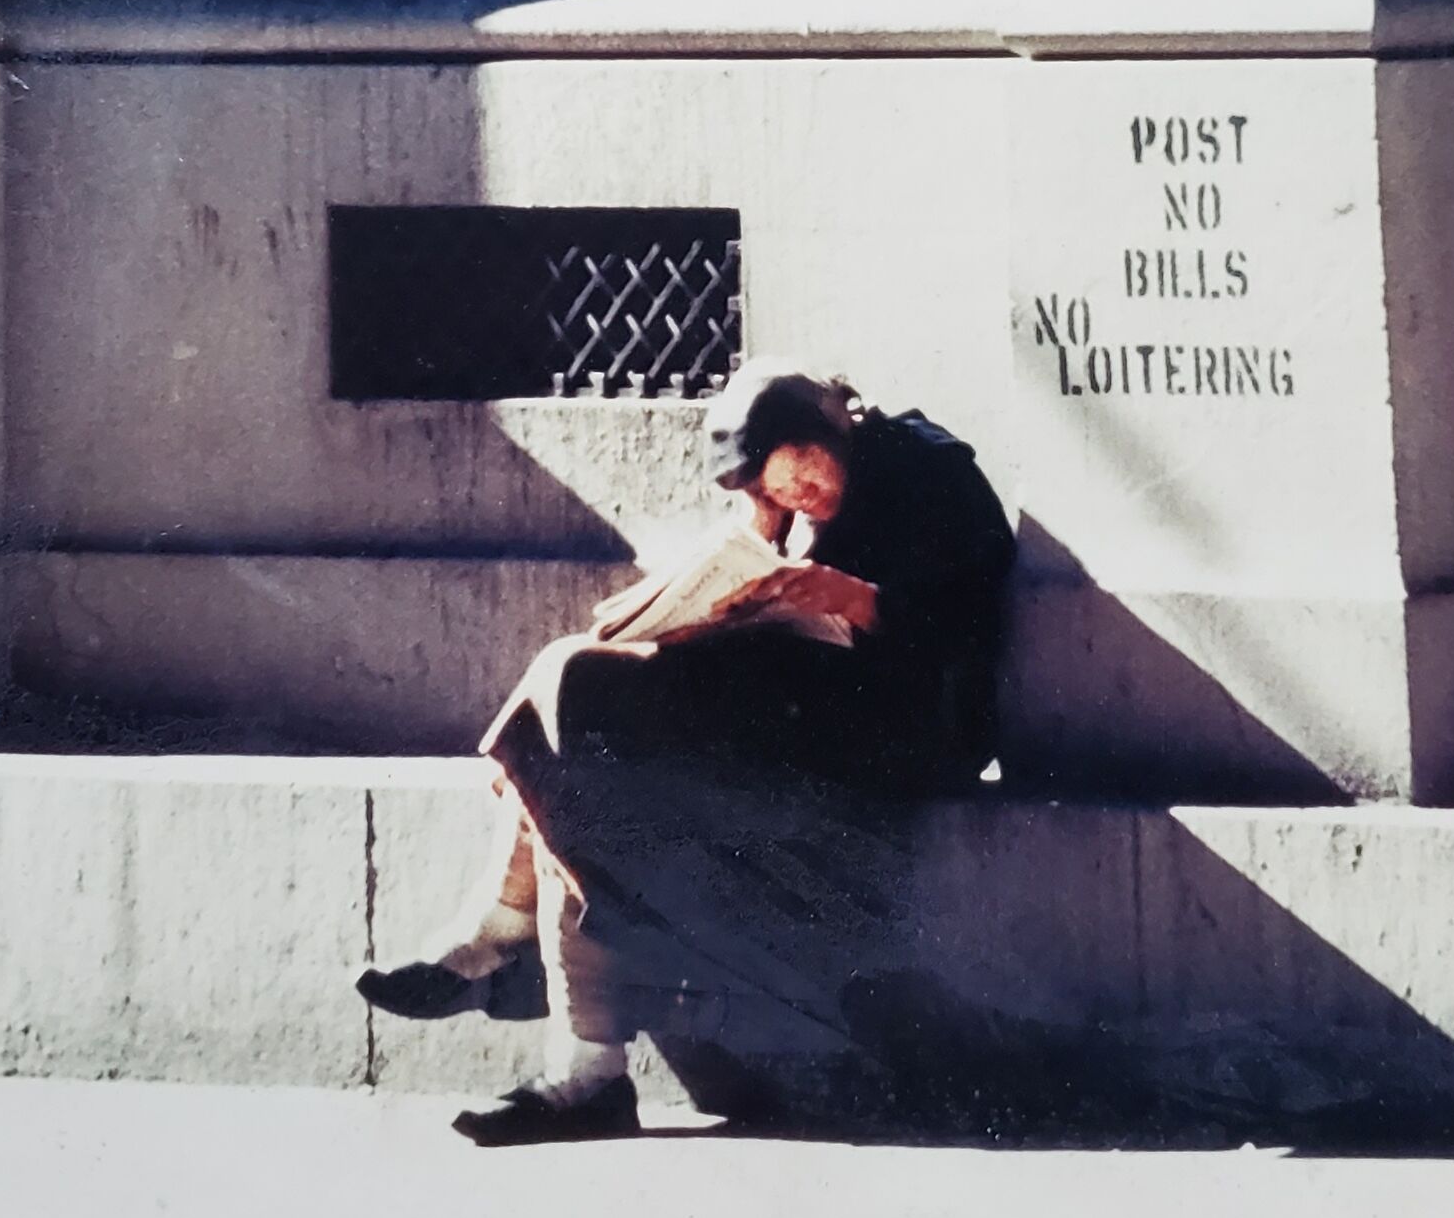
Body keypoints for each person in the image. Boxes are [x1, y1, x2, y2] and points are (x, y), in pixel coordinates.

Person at [355, 357, 1018, 1145]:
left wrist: (857, 599)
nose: (792, 503)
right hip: (801, 714)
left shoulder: (932, 473)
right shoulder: (797, 497)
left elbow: (971, 639)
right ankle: (572, 1048)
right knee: (573, 708)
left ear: (825, 433)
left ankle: (535, 989)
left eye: (796, 483)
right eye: (775, 494)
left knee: (576, 736)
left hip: (905, 738)